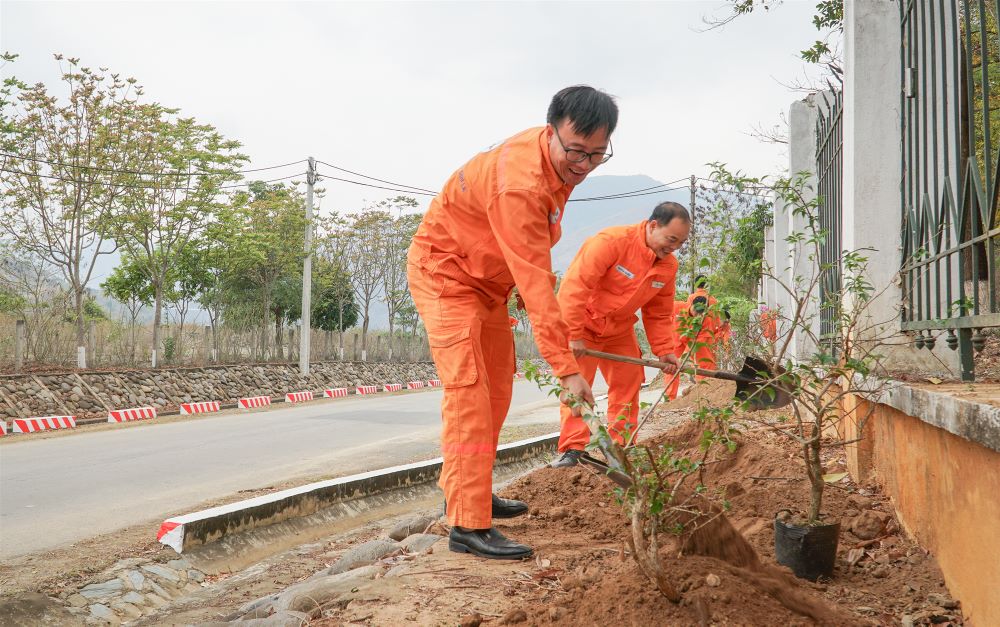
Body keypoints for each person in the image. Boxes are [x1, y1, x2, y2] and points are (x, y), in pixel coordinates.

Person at [407, 85, 617, 559]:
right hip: (446, 275)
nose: (583, 166)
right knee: (470, 394)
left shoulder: (553, 163)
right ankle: (466, 524)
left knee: (498, 387)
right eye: (576, 152)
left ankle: (468, 490)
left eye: (597, 155)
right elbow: (540, 282)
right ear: (551, 132)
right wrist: (567, 369)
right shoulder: (520, 182)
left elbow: (526, 258)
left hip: (488, 285)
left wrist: (517, 286)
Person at [549, 202, 690, 467]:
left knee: (629, 381)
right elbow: (574, 288)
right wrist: (574, 334)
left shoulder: (668, 266)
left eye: (680, 243)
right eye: (671, 239)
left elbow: (658, 313)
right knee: (576, 386)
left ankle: (621, 445)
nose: (673, 247)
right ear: (652, 226)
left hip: (619, 329)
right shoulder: (611, 242)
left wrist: (665, 350)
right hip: (585, 325)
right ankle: (573, 449)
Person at [666, 276, 723, 400]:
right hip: (674, 339)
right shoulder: (677, 306)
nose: (698, 314)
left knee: (706, 365)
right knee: (670, 366)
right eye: (696, 311)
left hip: (697, 338)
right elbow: (660, 313)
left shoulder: (704, 319)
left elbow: (714, 326)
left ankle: (703, 393)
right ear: (691, 304)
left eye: (701, 312)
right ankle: (669, 398)